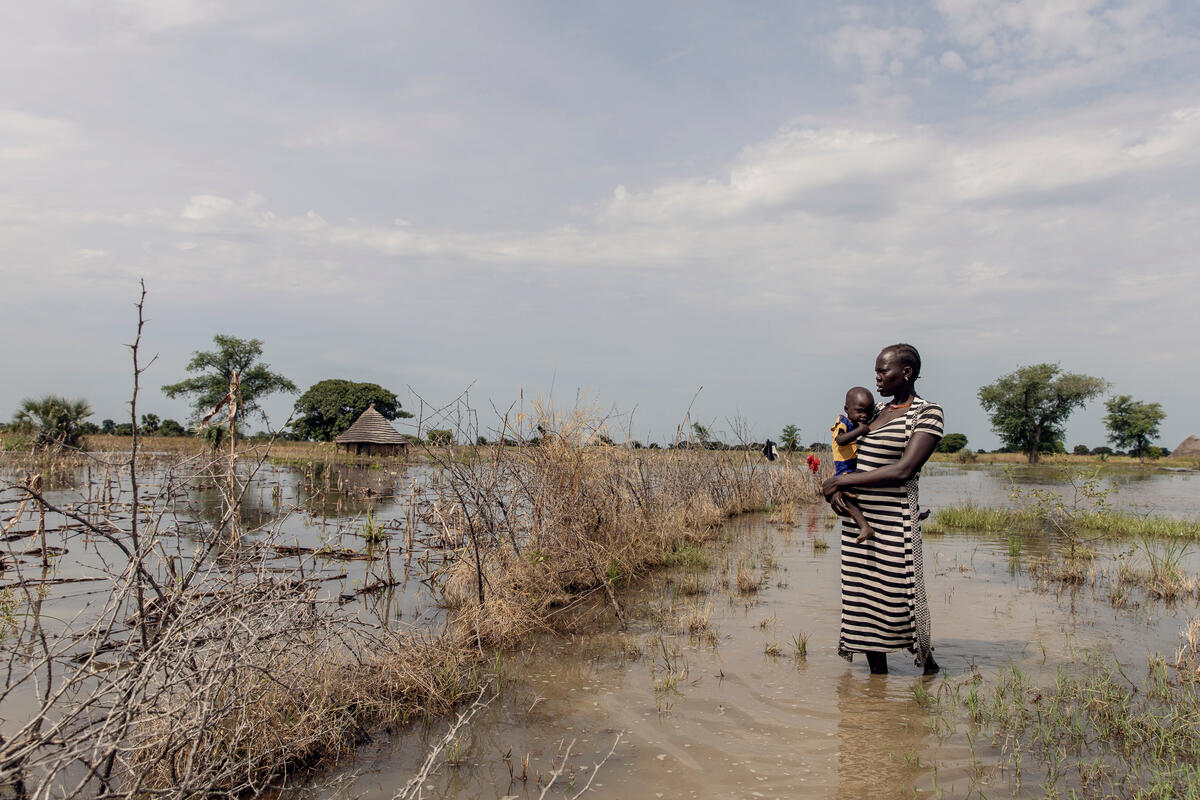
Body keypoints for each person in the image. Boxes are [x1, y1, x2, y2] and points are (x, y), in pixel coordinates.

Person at [821, 343, 943, 675]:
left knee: (900, 601)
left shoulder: (926, 413)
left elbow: (904, 470)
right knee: (863, 605)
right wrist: (836, 492)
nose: (876, 377)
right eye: (876, 370)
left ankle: (927, 667)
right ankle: (879, 684)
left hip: (894, 523)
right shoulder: (874, 413)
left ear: (906, 373)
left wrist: (844, 483)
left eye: (882, 370)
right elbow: (845, 452)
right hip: (858, 525)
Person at [831, 386, 877, 543]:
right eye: (859, 411)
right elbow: (840, 440)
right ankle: (864, 526)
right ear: (846, 409)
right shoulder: (842, 422)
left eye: (868, 412)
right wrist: (861, 430)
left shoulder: (857, 424)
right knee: (847, 494)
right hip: (844, 468)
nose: (864, 416)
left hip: (855, 467)